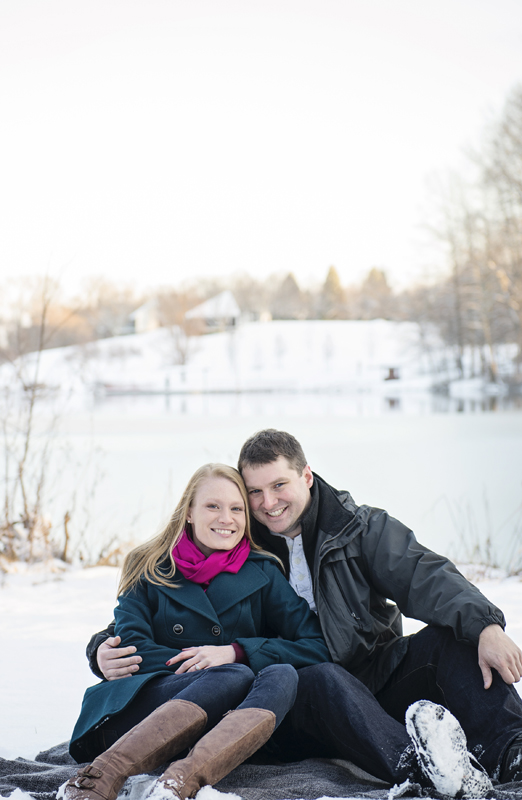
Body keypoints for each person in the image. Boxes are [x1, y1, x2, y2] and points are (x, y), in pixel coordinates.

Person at [86, 431, 522, 796]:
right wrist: (99, 649)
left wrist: (485, 624)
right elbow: (157, 604)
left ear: (306, 476)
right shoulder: (239, 537)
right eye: (253, 493)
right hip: (290, 689)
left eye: (279, 486)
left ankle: (512, 750)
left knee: (455, 639)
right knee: (320, 676)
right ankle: (419, 767)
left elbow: (425, 576)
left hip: (370, 675)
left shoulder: (359, 528)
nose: (267, 503)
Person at [65, 463, 330, 800]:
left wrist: (236, 652)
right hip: (139, 711)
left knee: (281, 674)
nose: (226, 518)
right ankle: (104, 774)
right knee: (228, 676)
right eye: (213, 506)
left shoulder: (263, 571)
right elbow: (131, 644)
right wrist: (210, 668)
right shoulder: (148, 564)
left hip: (221, 732)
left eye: (236, 508)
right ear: (189, 511)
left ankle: (179, 783)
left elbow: (316, 644)